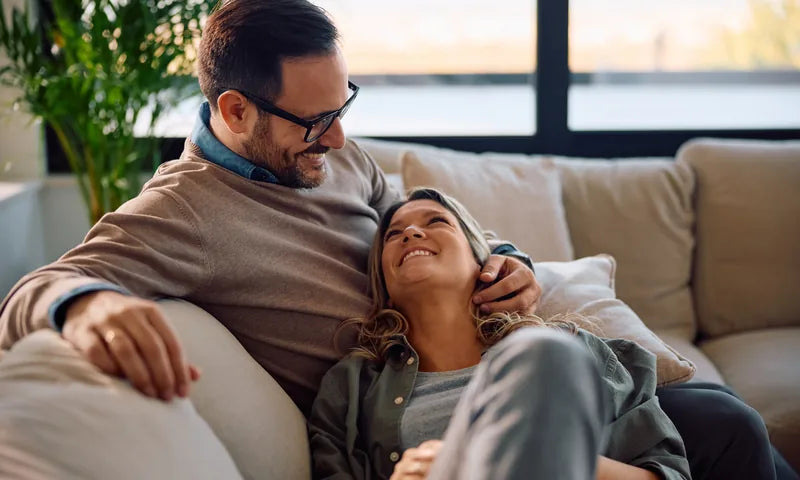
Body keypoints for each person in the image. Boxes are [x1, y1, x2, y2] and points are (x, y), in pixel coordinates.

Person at [0, 1, 793, 479]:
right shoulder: (187, 212)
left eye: (344, 101)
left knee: (723, 424)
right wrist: (89, 308)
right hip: (403, 408)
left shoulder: (337, 155)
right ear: (236, 113)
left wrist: (506, 261)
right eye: (314, 120)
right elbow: (30, 292)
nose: (341, 134)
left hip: (487, 360)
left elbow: (421, 217)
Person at [309, 187, 692, 480]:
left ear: (484, 262)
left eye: (436, 222)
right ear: (383, 281)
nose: (410, 232)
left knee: (545, 352)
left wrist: (540, 449)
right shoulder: (352, 386)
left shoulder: (573, 355)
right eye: (393, 234)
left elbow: (667, 474)